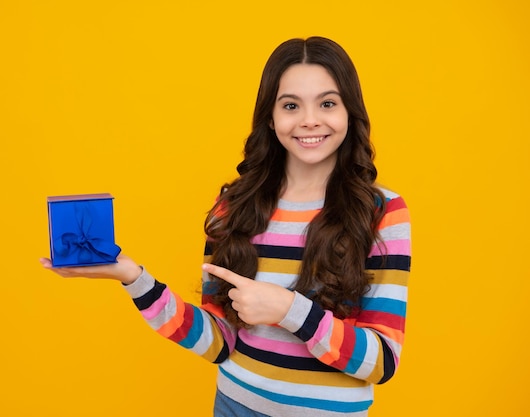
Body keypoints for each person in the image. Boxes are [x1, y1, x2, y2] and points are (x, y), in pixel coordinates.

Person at [40, 36, 411, 417]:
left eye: (328, 103)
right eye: (291, 105)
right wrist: (132, 277)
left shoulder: (381, 211)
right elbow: (218, 341)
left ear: (350, 112)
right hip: (234, 406)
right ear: (270, 116)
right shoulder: (234, 207)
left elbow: (382, 362)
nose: (309, 120)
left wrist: (288, 309)